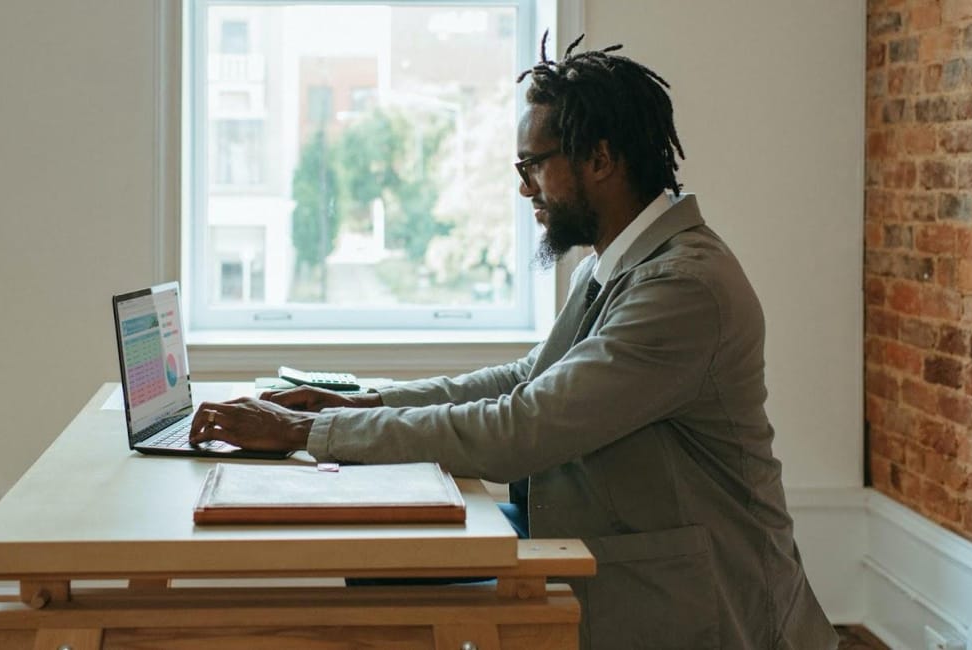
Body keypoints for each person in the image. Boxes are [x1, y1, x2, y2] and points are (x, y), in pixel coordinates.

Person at [190, 34, 837, 650]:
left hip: (701, 607)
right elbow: (523, 380)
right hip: (609, 558)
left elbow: (521, 427)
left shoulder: (684, 289)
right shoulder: (614, 264)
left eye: (533, 164)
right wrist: (354, 405)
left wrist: (305, 436)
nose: (525, 186)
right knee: (380, 578)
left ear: (601, 159)